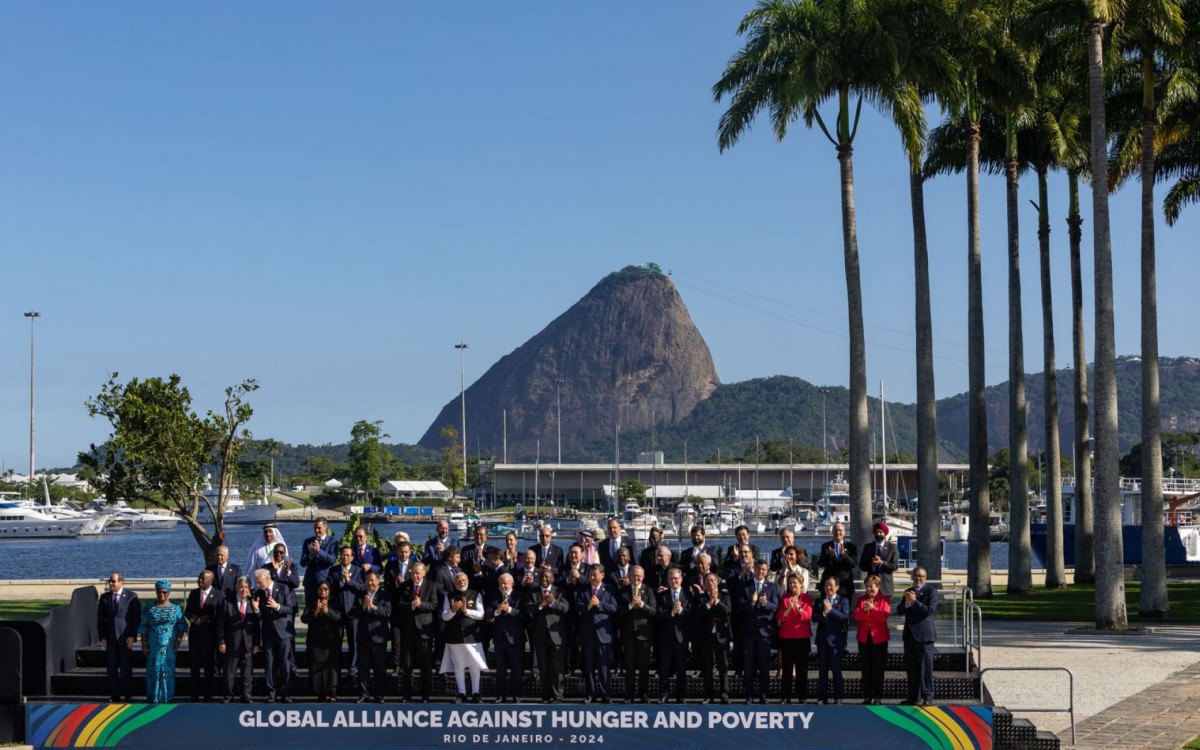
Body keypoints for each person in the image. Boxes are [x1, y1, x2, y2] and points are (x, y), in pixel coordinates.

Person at [440, 571, 488, 703]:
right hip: (454, 637)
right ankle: (461, 693)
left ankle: (476, 692)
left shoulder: (476, 594)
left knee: (474, 664)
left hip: (472, 636)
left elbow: (481, 614)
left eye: (464, 579)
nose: (462, 582)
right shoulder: (449, 596)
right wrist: (453, 611)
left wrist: (466, 611)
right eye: (459, 580)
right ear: (454, 583)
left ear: (468, 580)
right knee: (459, 666)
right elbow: (444, 616)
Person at [735, 560, 779, 704]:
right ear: (754, 569)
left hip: (764, 633)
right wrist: (752, 603)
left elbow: (775, 607)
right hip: (749, 632)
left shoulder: (771, 587)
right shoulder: (745, 586)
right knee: (748, 665)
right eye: (759, 569)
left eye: (764, 569)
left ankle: (763, 695)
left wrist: (765, 603)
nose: (761, 571)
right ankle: (749, 695)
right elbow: (739, 606)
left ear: (767, 571)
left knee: (764, 666)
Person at [393, 562, 438, 703]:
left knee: (425, 665)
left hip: (424, 631)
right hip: (408, 631)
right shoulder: (404, 585)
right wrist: (410, 606)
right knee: (407, 665)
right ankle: (407, 695)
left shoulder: (431, 585)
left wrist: (421, 605)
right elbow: (399, 603)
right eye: (413, 573)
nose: (415, 576)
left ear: (424, 573)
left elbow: (434, 604)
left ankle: (425, 695)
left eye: (418, 573)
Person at [137, 579, 187, 703]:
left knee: (167, 670)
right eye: (159, 592)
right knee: (153, 670)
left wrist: (178, 642)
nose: (162, 595)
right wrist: (143, 644)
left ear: (169, 593)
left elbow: (182, 626)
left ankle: (167, 696)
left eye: (165, 592)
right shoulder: (150, 607)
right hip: (153, 646)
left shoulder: (175, 607)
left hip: (169, 646)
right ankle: (153, 696)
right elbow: (143, 627)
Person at [526, 568, 569, 704]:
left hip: (556, 635)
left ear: (553, 579)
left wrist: (552, 602)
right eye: (542, 578)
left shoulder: (560, 592)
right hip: (540, 635)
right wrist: (541, 604)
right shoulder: (533, 592)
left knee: (557, 668)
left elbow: (566, 608)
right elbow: (527, 607)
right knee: (543, 667)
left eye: (547, 577)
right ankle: (546, 696)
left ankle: (558, 696)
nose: (544, 580)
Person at [897, 567, 939, 706]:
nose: (918, 578)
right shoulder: (908, 591)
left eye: (921, 576)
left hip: (924, 636)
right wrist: (907, 602)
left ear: (925, 577)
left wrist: (914, 602)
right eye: (915, 575)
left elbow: (929, 611)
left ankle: (928, 696)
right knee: (912, 669)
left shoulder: (931, 592)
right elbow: (899, 610)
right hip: (909, 636)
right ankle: (913, 697)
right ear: (911, 577)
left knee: (925, 668)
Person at [576, 564, 617, 703]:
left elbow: (614, 607)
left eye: (595, 574)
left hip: (603, 634)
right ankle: (590, 694)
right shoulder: (583, 590)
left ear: (602, 575)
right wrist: (587, 606)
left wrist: (599, 604)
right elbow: (577, 607)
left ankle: (605, 694)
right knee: (588, 667)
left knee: (604, 667)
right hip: (587, 634)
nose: (592, 577)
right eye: (590, 575)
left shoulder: (609, 590)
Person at [255, 568, 296, 703]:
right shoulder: (259, 593)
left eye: (260, 582)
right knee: (269, 664)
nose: (258, 585)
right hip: (268, 633)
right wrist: (256, 609)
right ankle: (271, 693)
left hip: (283, 632)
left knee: (285, 664)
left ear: (267, 579)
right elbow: (260, 616)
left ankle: (286, 693)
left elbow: (290, 609)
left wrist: (277, 606)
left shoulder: (283, 588)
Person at [98, 571, 140, 702]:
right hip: (110, 638)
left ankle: (128, 694)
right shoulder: (104, 598)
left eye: (113, 581)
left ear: (121, 582)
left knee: (125, 667)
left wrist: (133, 635)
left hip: (125, 638)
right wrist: (102, 637)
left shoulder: (131, 597)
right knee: (111, 667)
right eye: (110, 581)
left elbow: (135, 618)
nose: (111, 583)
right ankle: (114, 694)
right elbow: (100, 620)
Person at [216, 575, 259, 704]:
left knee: (247, 671)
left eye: (246, 587)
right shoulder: (227, 602)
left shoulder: (253, 601)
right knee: (230, 671)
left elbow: (257, 624)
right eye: (241, 587)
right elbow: (220, 624)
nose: (244, 590)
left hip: (248, 643)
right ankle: (228, 695)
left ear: (250, 589)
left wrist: (257, 644)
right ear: (236, 588)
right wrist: (221, 641)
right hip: (231, 643)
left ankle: (246, 695)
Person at [617, 564, 657, 703]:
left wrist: (641, 605)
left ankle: (644, 694)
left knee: (644, 666)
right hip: (628, 635)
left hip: (644, 634)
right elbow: (618, 612)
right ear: (629, 576)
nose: (636, 578)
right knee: (629, 666)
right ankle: (629, 694)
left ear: (643, 576)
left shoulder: (649, 590)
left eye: (639, 575)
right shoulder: (623, 592)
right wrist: (629, 606)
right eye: (634, 575)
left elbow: (654, 611)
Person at [351, 571, 391, 703]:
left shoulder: (385, 595)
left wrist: (374, 607)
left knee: (379, 668)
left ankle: (379, 694)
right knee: (363, 668)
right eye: (368, 580)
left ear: (378, 581)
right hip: (363, 637)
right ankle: (364, 694)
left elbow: (387, 611)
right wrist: (363, 608)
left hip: (378, 637)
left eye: (372, 580)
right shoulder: (360, 594)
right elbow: (352, 613)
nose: (370, 583)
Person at [692, 572, 732, 705]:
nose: (710, 583)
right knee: (707, 667)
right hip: (706, 637)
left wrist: (718, 602)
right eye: (707, 581)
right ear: (704, 584)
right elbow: (697, 614)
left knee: (723, 666)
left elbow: (728, 611)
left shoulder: (724, 595)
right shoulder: (701, 598)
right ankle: (709, 694)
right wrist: (709, 604)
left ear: (717, 582)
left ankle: (724, 694)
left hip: (721, 637)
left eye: (712, 580)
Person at [183, 570, 223, 702]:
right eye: (199, 578)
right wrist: (192, 617)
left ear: (210, 580)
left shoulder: (218, 594)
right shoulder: (194, 593)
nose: (199, 581)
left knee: (208, 666)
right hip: (195, 635)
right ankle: (194, 694)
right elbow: (187, 611)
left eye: (203, 579)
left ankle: (207, 694)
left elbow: (220, 615)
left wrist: (207, 618)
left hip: (209, 636)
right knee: (194, 666)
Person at [326, 546, 365, 678]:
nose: (345, 557)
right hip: (337, 612)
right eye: (343, 555)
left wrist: (349, 581)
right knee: (336, 640)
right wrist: (341, 583)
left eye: (348, 555)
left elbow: (363, 588)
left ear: (352, 557)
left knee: (353, 641)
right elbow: (329, 589)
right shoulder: (334, 571)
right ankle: (335, 667)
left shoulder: (358, 571)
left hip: (353, 611)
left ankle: (352, 667)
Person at [300, 581, 342, 703]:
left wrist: (327, 611)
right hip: (315, 641)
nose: (323, 591)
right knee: (317, 666)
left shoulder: (335, 603)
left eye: (325, 589)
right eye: (320, 589)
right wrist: (316, 612)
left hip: (331, 641)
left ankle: (333, 693)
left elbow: (339, 619)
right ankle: (320, 692)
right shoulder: (313, 603)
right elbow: (304, 619)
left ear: (329, 591)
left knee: (332, 668)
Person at [853, 574, 892, 705]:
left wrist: (873, 609)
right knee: (866, 668)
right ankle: (867, 696)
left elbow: (884, 617)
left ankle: (878, 696)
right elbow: (856, 616)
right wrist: (865, 610)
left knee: (878, 668)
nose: (870, 589)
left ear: (878, 587)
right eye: (867, 586)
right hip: (864, 638)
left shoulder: (884, 599)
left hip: (879, 638)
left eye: (872, 586)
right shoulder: (861, 599)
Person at [486, 572, 525, 703]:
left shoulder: (519, 596)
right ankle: (500, 695)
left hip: (515, 639)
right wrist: (496, 611)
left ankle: (517, 695)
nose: (503, 586)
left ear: (512, 584)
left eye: (505, 583)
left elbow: (524, 615)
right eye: (501, 583)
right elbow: (487, 613)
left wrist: (509, 610)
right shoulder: (494, 597)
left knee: (516, 670)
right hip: (499, 639)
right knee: (500, 670)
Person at [775, 573, 813, 705]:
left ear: (801, 584)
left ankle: (802, 696)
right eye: (790, 583)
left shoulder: (807, 598)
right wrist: (789, 608)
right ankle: (786, 696)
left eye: (795, 583)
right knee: (786, 668)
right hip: (786, 637)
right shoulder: (785, 598)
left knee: (802, 669)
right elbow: (780, 616)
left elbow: (808, 616)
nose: (792, 585)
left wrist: (798, 607)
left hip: (802, 637)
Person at [655, 567, 690, 703]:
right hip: (666, 637)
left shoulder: (687, 594)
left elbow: (691, 614)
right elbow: (657, 614)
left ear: (681, 579)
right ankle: (664, 694)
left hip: (681, 637)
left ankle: (681, 695)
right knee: (664, 668)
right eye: (671, 578)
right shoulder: (662, 595)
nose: (674, 581)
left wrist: (681, 611)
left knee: (681, 668)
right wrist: (671, 613)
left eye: (676, 578)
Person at [813, 575, 849, 704]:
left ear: (837, 587)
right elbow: (814, 618)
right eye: (826, 585)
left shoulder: (843, 600)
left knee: (836, 671)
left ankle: (838, 697)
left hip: (836, 642)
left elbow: (844, 617)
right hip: (822, 641)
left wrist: (831, 610)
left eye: (831, 585)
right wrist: (823, 613)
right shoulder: (819, 601)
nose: (828, 587)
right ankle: (822, 697)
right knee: (822, 671)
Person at [300, 519, 339, 604]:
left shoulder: (333, 542)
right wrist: (311, 555)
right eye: (315, 528)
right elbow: (302, 563)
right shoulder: (308, 542)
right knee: (310, 610)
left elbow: (332, 560)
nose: (316, 530)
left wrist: (319, 552)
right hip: (310, 582)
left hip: (324, 581)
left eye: (319, 528)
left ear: (325, 527)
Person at [817, 523, 858, 600]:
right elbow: (820, 563)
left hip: (845, 586)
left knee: (844, 611)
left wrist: (844, 555)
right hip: (828, 586)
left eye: (840, 530)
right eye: (835, 530)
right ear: (832, 532)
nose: (838, 532)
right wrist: (829, 555)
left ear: (844, 532)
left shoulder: (851, 547)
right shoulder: (826, 546)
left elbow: (854, 564)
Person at [859, 521, 899, 598]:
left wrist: (881, 563)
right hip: (871, 586)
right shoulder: (868, 547)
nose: (878, 534)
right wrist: (872, 564)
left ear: (885, 533)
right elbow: (862, 566)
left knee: (884, 609)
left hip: (886, 586)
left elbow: (895, 566)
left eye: (880, 532)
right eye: (876, 532)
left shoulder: (892, 547)